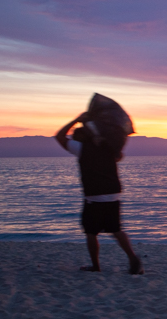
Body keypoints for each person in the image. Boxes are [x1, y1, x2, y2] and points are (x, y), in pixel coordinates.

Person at [55, 110, 143, 275]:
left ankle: (95, 266)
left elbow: (59, 136)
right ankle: (132, 257)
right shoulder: (109, 149)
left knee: (90, 232)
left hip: (94, 195)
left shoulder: (81, 148)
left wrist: (76, 120)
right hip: (113, 193)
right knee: (116, 229)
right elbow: (119, 154)